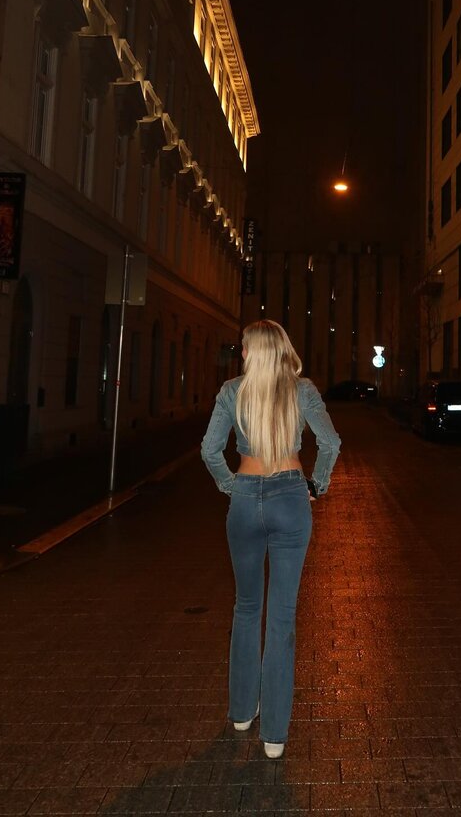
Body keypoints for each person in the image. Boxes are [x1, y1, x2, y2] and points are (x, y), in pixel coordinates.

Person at [200, 320, 341, 758]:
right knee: (282, 616)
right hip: (290, 499)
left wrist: (232, 485)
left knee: (246, 608)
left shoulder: (231, 391)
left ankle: (242, 711)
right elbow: (331, 443)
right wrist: (318, 484)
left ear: (255, 352)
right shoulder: (303, 390)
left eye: (244, 348)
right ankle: (274, 736)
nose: (241, 354)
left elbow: (209, 450)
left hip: (245, 498)